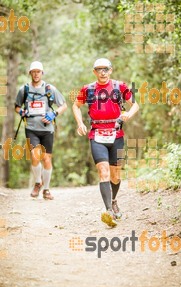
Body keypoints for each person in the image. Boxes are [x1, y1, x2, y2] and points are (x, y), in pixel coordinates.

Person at [72, 58, 139, 227]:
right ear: (94, 72)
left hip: (116, 135)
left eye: (105, 69)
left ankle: (114, 200)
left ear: (111, 70)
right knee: (103, 172)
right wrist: (80, 123)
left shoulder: (120, 86)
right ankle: (108, 210)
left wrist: (129, 114)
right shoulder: (88, 89)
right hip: (97, 135)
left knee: (116, 176)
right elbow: (75, 105)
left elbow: (136, 104)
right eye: (99, 69)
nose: (102, 72)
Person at [15, 61, 67, 200]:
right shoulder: (24, 89)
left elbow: (64, 105)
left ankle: (47, 189)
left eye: (38, 71)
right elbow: (17, 106)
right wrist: (22, 112)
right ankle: (38, 183)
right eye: (34, 71)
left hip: (47, 129)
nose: (36, 74)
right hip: (31, 128)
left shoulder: (50, 89)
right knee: (35, 155)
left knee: (46, 158)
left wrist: (53, 114)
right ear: (30, 73)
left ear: (42, 73)